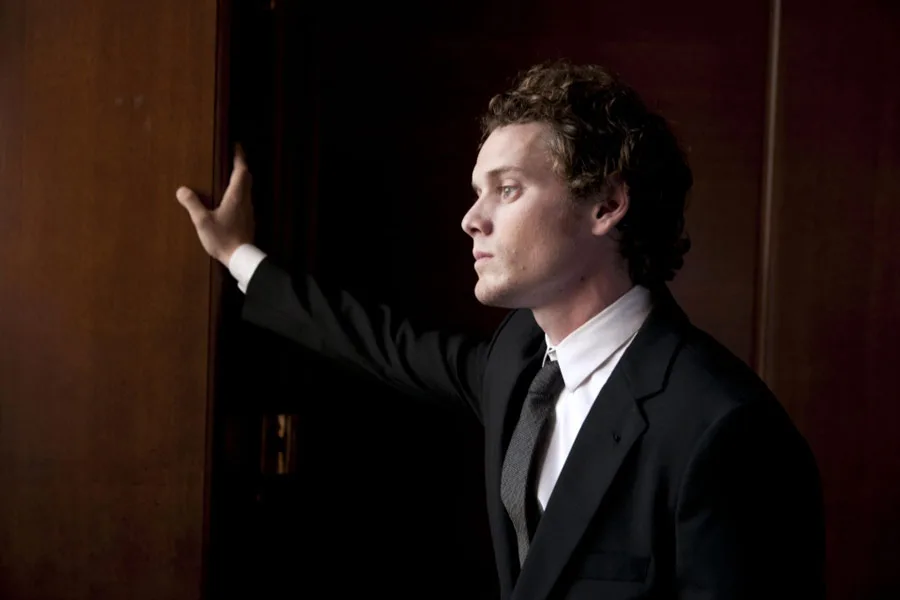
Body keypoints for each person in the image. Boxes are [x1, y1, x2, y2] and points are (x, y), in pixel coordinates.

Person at [176, 60, 825, 599]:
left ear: (606, 204)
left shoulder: (724, 429)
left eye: (506, 189)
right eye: (476, 191)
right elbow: (385, 345)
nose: (471, 219)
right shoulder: (517, 358)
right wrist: (237, 255)